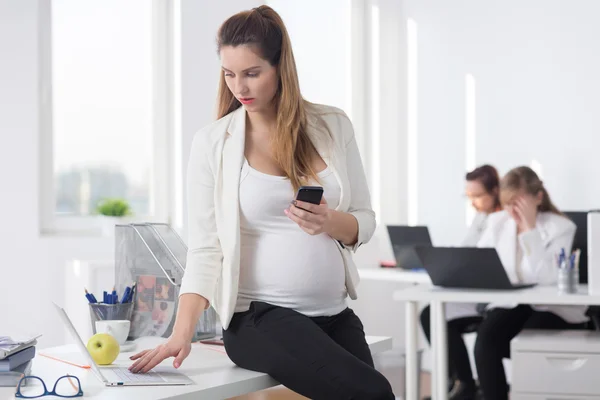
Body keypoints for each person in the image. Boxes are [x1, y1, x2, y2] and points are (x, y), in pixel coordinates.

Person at [128, 5, 394, 399]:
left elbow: (365, 220)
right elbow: (205, 249)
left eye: (253, 73)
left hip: (333, 315)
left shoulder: (333, 126)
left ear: (280, 67)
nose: (240, 87)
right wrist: (180, 334)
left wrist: (329, 222)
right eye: (229, 74)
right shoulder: (213, 143)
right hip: (257, 319)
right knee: (373, 393)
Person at [474, 166, 588, 400]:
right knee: (486, 339)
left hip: (549, 306)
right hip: (512, 302)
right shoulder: (498, 222)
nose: (511, 211)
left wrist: (529, 229)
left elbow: (546, 277)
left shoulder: (560, 227)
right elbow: (481, 262)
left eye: (518, 203)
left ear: (538, 197)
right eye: (508, 203)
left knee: (529, 338)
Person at [420, 164, 502, 399]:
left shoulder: (504, 219)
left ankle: (464, 385)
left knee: (438, 316)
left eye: (477, 196)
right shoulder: (481, 218)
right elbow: (467, 250)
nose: (473, 202)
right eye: (469, 196)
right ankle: (461, 382)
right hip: (473, 293)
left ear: (495, 191)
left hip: (493, 299)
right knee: (430, 314)